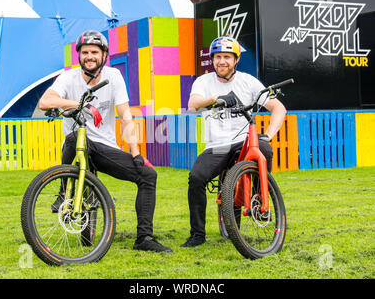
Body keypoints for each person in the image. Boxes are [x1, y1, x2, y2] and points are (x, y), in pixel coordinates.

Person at [39, 30, 172, 253]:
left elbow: (125, 116)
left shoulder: (114, 77)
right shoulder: (68, 77)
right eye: (84, 52)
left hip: (103, 147)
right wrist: (80, 104)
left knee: (148, 175)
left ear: (104, 55)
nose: (89, 56)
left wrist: (135, 152)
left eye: (94, 52)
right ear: (79, 56)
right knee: (74, 136)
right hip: (75, 146)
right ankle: (64, 193)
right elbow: (45, 101)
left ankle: (144, 239)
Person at [181, 36, 287, 248]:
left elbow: (279, 108)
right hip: (216, 145)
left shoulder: (248, 81)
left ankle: (258, 200)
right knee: (196, 179)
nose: (222, 61)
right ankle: (197, 234)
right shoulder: (203, 82)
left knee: (264, 148)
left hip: (242, 141)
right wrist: (215, 99)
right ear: (212, 59)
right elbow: (192, 105)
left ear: (236, 59)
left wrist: (270, 134)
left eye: (227, 57)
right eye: (218, 57)